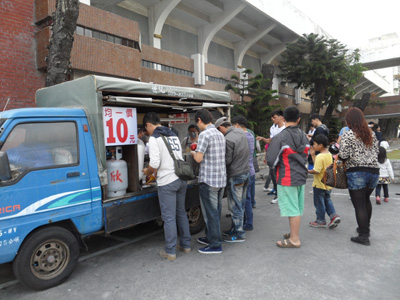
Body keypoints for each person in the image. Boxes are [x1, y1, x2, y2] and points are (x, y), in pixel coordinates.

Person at [142, 112, 191, 261]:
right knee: (181, 212)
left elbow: (155, 164)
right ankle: (186, 245)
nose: (147, 132)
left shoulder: (155, 138)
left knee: (169, 217)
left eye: (146, 128)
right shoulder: (173, 135)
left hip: (167, 182)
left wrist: (147, 171)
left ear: (149, 124)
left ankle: (170, 251)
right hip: (181, 179)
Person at [266, 106, 310, 248]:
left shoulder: (280, 137)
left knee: (292, 209)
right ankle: (293, 234)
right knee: (296, 207)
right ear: (298, 119)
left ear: (284, 119)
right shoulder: (305, 136)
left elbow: (271, 160)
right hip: (301, 176)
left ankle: (294, 239)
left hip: (287, 176)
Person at [338, 107, 379, 246]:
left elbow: (343, 155)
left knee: (359, 205)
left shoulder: (348, 135)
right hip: (374, 172)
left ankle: (363, 236)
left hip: (357, 172)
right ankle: (364, 228)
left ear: (349, 121)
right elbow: (377, 152)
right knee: (366, 200)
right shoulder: (371, 134)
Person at [192, 109, 226, 254]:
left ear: (199, 120)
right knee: (216, 212)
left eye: (197, 123)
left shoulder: (204, 135)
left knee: (210, 213)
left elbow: (199, 159)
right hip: (220, 179)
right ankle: (211, 237)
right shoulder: (219, 133)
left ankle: (215, 245)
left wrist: (193, 153)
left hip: (209, 180)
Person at [215, 116, 250, 243]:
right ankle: (235, 229)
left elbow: (227, 160)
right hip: (245, 173)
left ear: (220, 128)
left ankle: (239, 234)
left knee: (235, 205)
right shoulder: (241, 132)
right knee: (240, 203)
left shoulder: (228, 139)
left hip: (235, 175)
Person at [308, 134, 341, 229]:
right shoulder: (329, 155)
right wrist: (313, 155)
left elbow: (316, 170)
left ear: (320, 145)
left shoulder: (320, 157)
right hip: (328, 183)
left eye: (314, 144)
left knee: (319, 203)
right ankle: (333, 216)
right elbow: (318, 166)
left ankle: (320, 220)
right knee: (327, 200)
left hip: (319, 184)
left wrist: (306, 170)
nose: (313, 146)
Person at [231, 115, 255, 231]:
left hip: (244, 170)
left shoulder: (242, 137)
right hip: (250, 170)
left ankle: (247, 223)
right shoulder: (250, 135)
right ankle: (248, 221)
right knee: (248, 198)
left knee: (243, 199)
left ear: (236, 125)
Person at [256, 109, 285, 203]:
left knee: (281, 176)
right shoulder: (274, 128)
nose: (273, 119)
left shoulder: (286, 128)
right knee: (275, 175)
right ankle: (278, 194)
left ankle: (281, 196)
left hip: (284, 156)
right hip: (275, 155)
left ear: (281, 117)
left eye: (274, 117)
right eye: (272, 118)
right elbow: (270, 140)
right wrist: (263, 138)